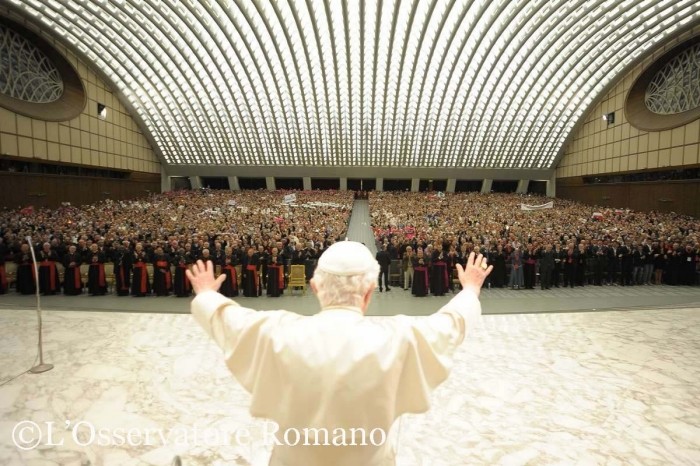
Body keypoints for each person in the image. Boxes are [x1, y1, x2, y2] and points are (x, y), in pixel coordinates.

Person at [187, 241, 492, 466]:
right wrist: (469, 290)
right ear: (370, 292)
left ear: (315, 288)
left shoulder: (276, 332)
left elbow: (223, 320)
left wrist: (205, 293)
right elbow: (452, 324)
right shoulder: (400, 339)